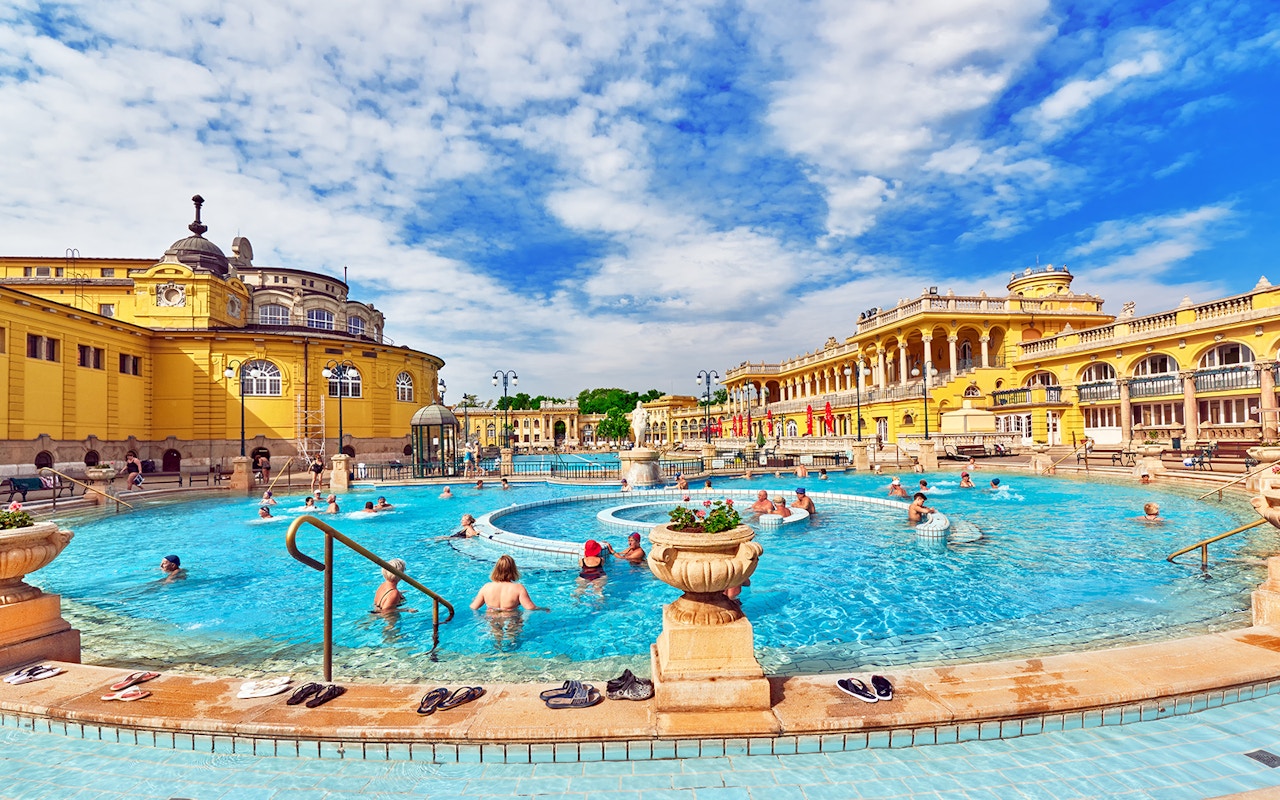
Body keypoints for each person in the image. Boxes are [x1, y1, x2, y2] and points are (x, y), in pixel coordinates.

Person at [470, 554, 546, 612]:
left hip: (492, 616)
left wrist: (474, 600)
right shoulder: (518, 588)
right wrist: (544, 609)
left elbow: (474, 607)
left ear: (496, 569)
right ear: (513, 570)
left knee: (495, 631)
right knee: (513, 632)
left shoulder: (486, 587)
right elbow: (530, 607)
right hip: (511, 616)